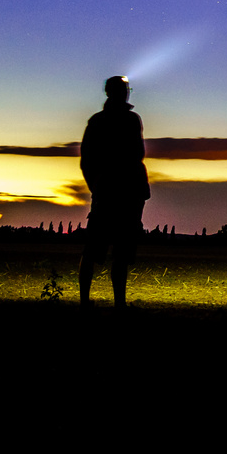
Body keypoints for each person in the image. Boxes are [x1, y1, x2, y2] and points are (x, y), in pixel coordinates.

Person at [78, 75, 150, 307]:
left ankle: (112, 303)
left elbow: (88, 160)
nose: (126, 92)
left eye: (127, 88)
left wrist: (97, 186)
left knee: (120, 251)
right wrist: (98, 187)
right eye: (123, 89)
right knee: (97, 250)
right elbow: (88, 159)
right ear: (112, 92)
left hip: (124, 193)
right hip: (114, 193)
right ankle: (90, 302)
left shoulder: (121, 119)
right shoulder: (107, 121)